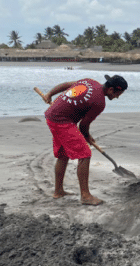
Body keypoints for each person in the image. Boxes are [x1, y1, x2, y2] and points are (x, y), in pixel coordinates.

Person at [43, 74, 127, 206]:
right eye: (118, 94)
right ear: (111, 90)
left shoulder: (89, 82)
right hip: (62, 121)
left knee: (63, 155)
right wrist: (87, 136)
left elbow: (66, 84)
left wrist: (49, 94)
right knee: (85, 154)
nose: (117, 97)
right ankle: (85, 196)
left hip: (52, 116)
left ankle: (58, 191)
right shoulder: (99, 101)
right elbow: (83, 125)